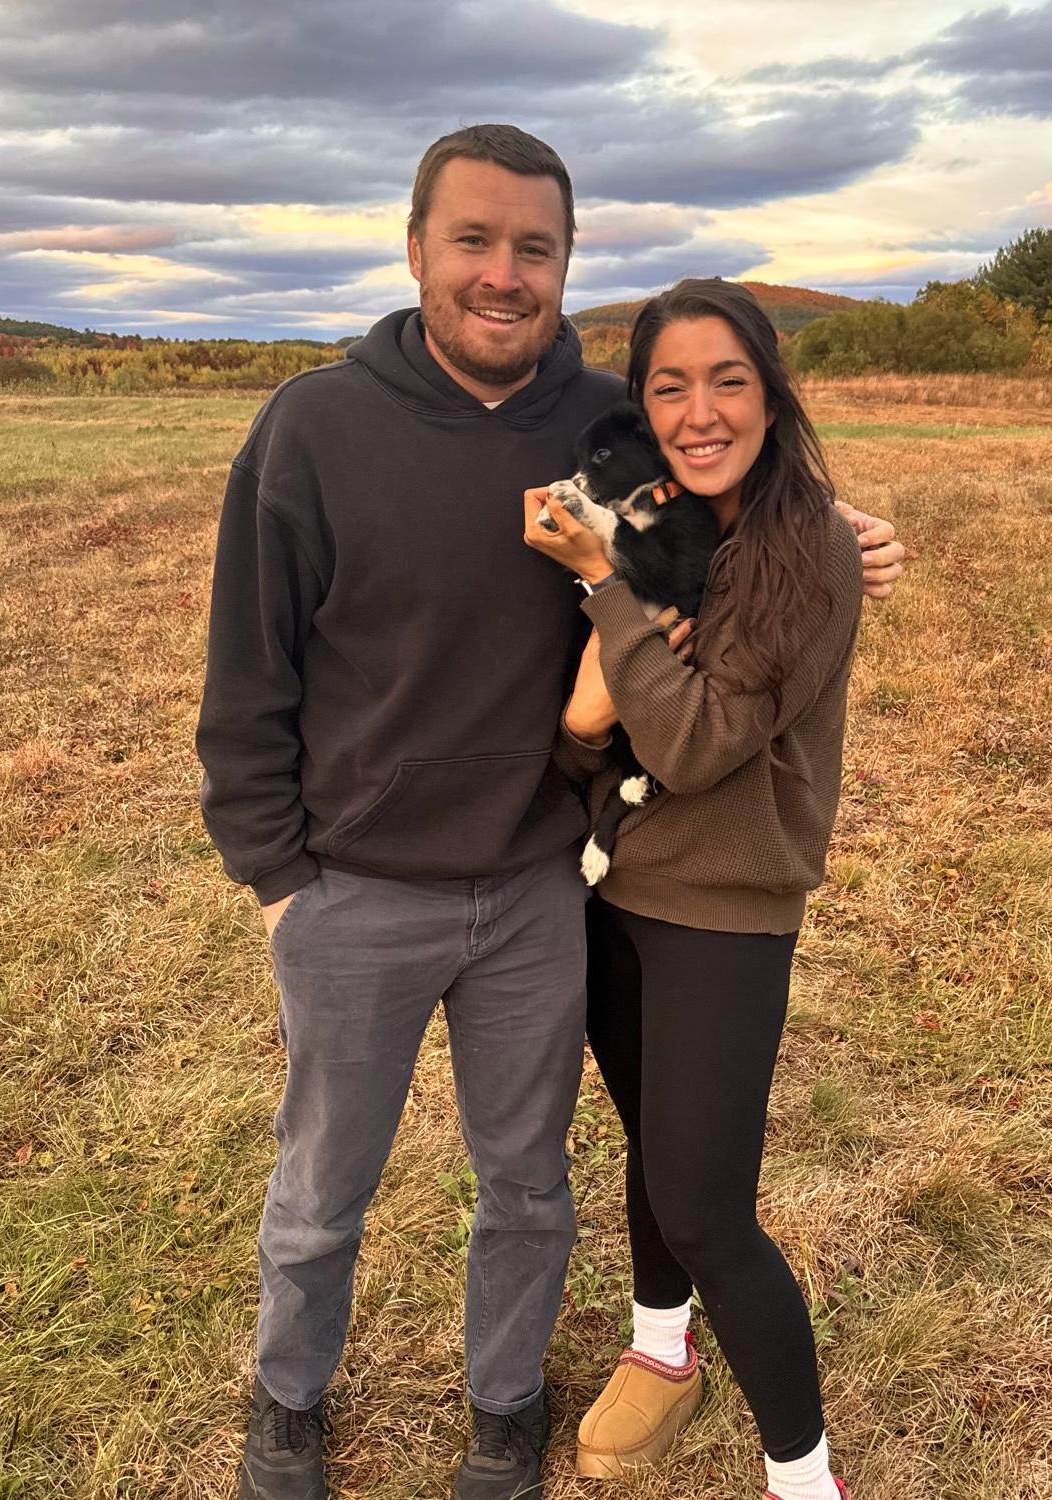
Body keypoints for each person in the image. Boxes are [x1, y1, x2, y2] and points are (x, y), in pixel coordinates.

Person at [196, 124, 904, 1500]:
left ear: (568, 265)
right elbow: (248, 667)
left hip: (538, 882)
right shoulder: (315, 427)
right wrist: (277, 879)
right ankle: (288, 1402)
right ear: (417, 248)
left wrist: (843, 529)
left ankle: (507, 1409)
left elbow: (730, 491)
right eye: (474, 240)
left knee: (528, 1186)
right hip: (354, 886)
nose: (503, 273)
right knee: (321, 1190)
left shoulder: (607, 425)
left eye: (536, 247)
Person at [522, 278, 861, 1499]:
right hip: (613, 893)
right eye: (670, 386)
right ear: (641, 405)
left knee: (709, 1211)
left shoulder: (811, 549)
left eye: (728, 380)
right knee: (655, 1150)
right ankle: (662, 1354)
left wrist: (605, 595)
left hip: (723, 908)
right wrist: (582, 715)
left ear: (771, 392)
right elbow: (588, 746)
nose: (699, 411)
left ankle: (804, 1478)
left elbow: (694, 745)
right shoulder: (652, 526)